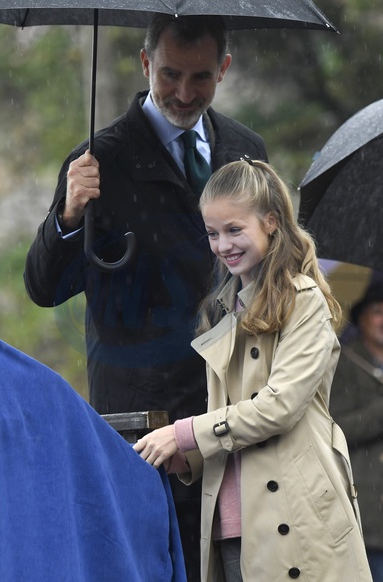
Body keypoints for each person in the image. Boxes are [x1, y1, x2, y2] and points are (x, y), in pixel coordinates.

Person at [24, 13, 267, 579]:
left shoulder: (245, 150)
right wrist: (68, 215)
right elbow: (44, 286)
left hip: (232, 410)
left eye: (200, 77)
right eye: (170, 75)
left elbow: (265, 268)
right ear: (144, 64)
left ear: (224, 69)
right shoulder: (97, 160)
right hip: (142, 422)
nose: (183, 93)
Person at [133, 159, 372, 582]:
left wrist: (184, 433)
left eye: (234, 229)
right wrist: (183, 455)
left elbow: (278, 407)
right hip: (231, 526)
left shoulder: (305, 301)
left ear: (271, 222)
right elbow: (230, 416)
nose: (223, 245)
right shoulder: (223, 309)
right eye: (212, 233)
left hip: (296, 520)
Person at [329, 279, 383, 582]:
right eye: (377, 311)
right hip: (367, 509)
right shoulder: (342, 363)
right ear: (361, 319)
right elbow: (335, 429)